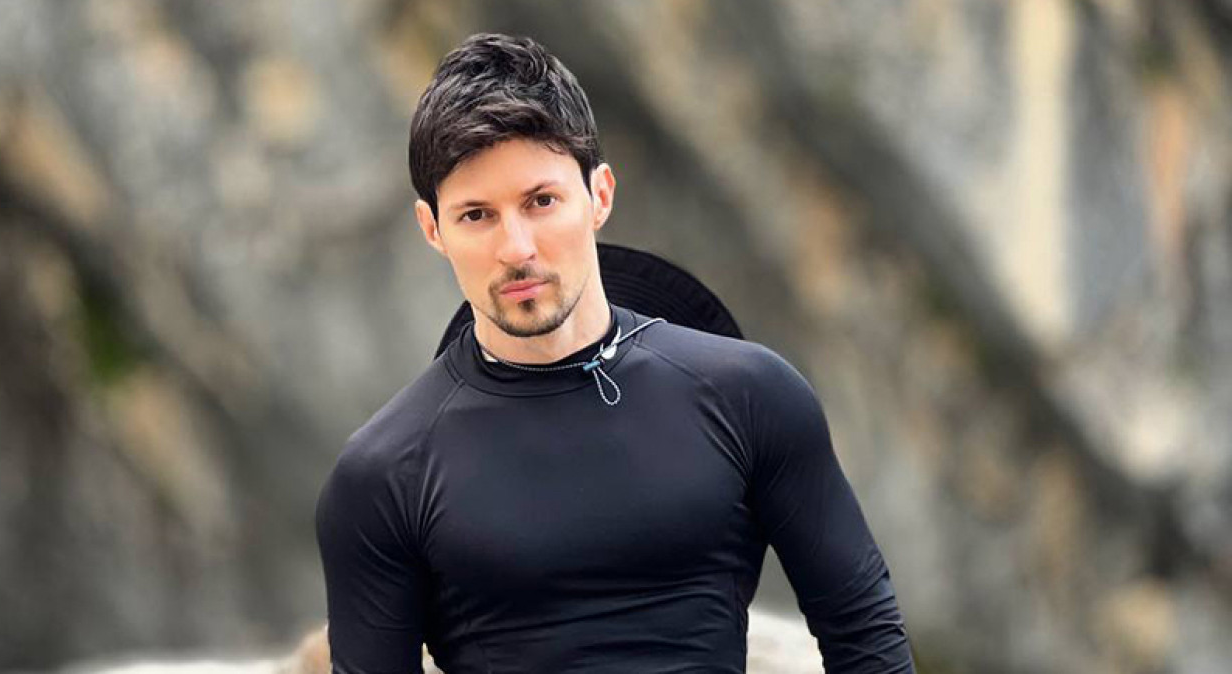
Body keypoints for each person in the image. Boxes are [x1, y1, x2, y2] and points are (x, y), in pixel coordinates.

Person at [315, 33, 915, 673]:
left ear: (599, 195)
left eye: (541, 201)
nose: (516, 248)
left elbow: (866, 638)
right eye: (476, 215)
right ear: (432, 229)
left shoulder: (750, 395)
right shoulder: (383, 475)